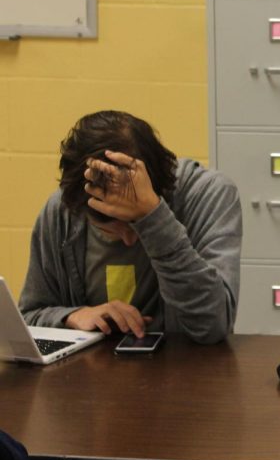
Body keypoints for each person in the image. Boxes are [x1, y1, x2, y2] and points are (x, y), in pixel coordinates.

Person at [19, 110, 241, 344]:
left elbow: (214, 326)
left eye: (133, 226)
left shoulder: (209, 195)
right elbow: (29, 317)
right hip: (88, 376)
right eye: (110, 231)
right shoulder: (63, 211)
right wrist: (71, 317)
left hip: (187, 374)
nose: (128, 240)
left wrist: (153, 219)